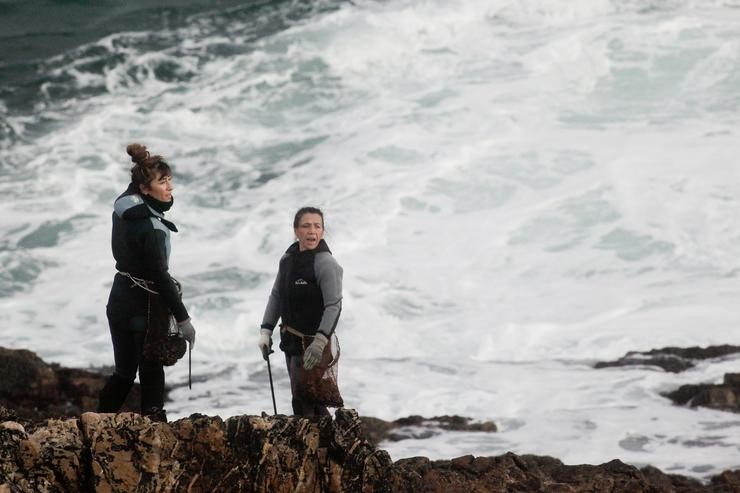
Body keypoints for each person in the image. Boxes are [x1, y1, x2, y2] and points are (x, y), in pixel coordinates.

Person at [97, 143, 196, 422]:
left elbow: (127, 194)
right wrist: (184, 320)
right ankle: (155, 428)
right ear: (144, 188)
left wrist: (144, 162)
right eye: (162, 181)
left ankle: (93, 423)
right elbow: (160, 278)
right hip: (143, 307)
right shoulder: (152, 229)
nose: (170, 187)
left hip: (118, 298)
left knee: (124, 373)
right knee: (151, 368)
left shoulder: (125, 208)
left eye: (169, 180)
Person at [258, 207, 343, 416]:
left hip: (314, 345)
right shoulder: (287, 259)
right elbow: (277, 295)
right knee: (307, 399)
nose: (312, 231)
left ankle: (318, 446)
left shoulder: (326, 263)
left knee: (304, 399)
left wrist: (320, 341)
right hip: (291, 341)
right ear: (296, 230)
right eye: (306, 226)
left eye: (317, 226)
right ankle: (328, 444)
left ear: (323, 231)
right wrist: (265, 331)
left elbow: (334, 305)